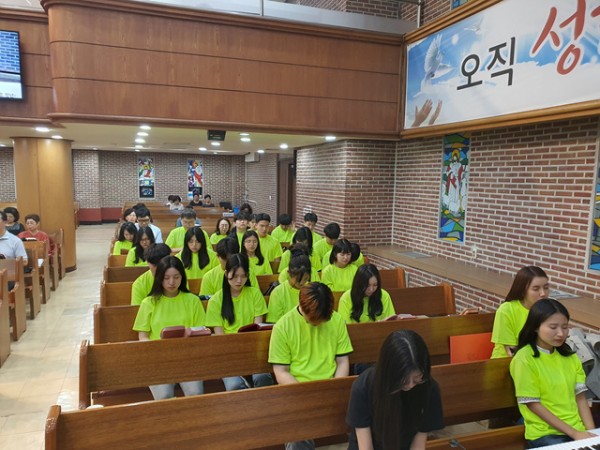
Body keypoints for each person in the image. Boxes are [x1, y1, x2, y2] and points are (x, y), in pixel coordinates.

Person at [268, 282, 353, 449]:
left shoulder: (336, 320)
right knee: (298, 433)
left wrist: (335, 388)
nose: (319, 324)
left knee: (360, 415)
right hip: (297, 391)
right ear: (302, 307)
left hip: (330, 388)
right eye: (314, 321)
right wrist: (305, 395)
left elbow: (342, 361)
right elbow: (281, 371)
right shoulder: (283, 326)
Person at [510, 298, 596, 448]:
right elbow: (533, 405)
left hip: (576, 430)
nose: (560, 333)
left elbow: (580, 399)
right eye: (553, 327)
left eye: (565, 327)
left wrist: (592, 434)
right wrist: (575, 434)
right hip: (545, 433)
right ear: (535, 327)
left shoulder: (570, 356)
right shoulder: (524, 359)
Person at [346, 329, 444, 450]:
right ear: (389, 371)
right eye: (403, 381)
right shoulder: (364, 386)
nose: (410, 385)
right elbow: (365, 447)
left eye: (417, 378)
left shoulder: (429, 388)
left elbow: (418, 444)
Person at [132, 256, 206, 400]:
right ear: (159, 278)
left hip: (188, 358)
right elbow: (143, 336)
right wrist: (154, 351)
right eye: (166, 278)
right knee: (164, 397)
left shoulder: (193, 300)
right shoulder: (149, 302)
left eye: (176, 277)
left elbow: (200, 330)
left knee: (195, 394)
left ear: (182, 277)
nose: (172, 282)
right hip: (158, 359)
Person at [205, 253, 272, 390]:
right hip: (228, 353)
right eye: (235, 276)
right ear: (226, 274)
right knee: (234, 385)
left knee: (262, 378)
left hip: (253, 349)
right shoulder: (216, 300)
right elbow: (220, 338)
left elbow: (257, 330)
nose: (239, 281)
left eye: (243, 276)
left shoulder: (254, 294)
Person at [491, 266, 550, 358]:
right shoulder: (506, 310)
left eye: (546, 288)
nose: (543, 293)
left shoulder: (549, 310)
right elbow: (511, 352)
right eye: (536, 289)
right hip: (508, 362)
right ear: (523, 290)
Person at [266, 251, 311, 323]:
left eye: (305, 279)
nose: (302, 283)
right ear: (289, 274)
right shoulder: (278, 293)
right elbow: (275, 323)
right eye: (298, 280)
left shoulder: (311, 290)